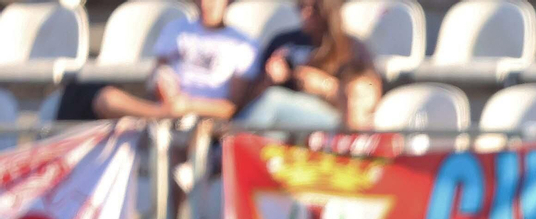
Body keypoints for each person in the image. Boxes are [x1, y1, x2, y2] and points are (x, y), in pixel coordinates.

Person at [56, 0, 258, 122]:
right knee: (104, 98)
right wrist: (163, 84)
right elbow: (158, 73)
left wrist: (188, 106)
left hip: (204, 118)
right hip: (163, 109)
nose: (205, 4)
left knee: (186, 131)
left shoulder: (243, 45)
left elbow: (230, 108)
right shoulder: (177, 29)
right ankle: (160, 118)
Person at [236, 0, 381, 130]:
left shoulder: (350, 47)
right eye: (302, 6)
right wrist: (268, 80)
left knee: (274, 99)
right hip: (282, 122)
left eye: (314, 8)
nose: (305, 13)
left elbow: (369, 94)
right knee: (271, 112)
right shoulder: (283, 41)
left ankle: (231, 140)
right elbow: (249, 100)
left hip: (332, 119)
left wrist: (325, 85)